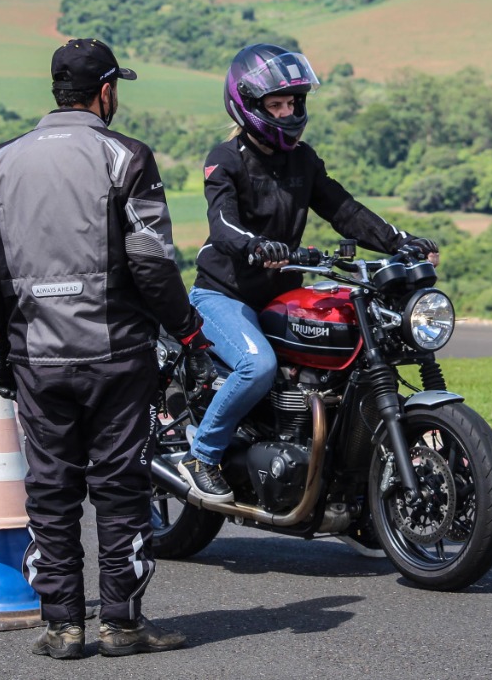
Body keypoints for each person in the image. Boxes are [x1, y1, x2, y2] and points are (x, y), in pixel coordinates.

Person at [0, 38, 216, 659]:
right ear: (105, 92)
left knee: (51, 490)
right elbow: (152, 264)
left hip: (35, 357)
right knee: (120, 489)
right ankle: (123, 627)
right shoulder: (126, 157)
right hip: (115, 357)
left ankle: (63, 628)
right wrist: (188, 333)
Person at [177, 43, 439, 504]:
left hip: (281, 294)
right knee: (257, 366)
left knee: (350, 347)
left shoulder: (303, 159)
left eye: (292, 102)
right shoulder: (226, 158)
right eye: (276, 104)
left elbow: (343, 209)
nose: (287, 111)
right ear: (250, 106)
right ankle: (202, 454)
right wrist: (255, 246)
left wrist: (399, 241)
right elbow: (223, 226)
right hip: (224, 295)